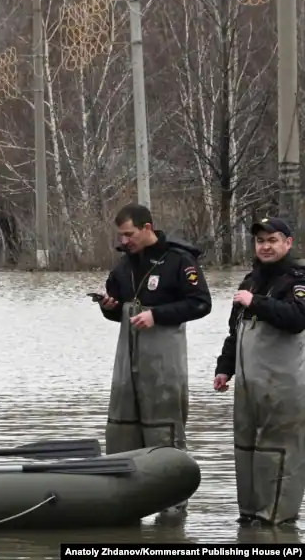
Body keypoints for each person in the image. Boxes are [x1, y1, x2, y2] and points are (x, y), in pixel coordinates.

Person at [97, 204, 211, 462]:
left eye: (129, 234)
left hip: (164, 369)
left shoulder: (179, 260)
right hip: (128, 369)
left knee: (163, 435)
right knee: (122, 434)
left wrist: (156, 315)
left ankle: (173, 499)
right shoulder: (123, 267)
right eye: (121, 236)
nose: (124, 241)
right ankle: (123, 495)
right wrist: (110, 308)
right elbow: (119, 312)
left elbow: (201, 304)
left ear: (147, 227)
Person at [214, 217, 305, 526]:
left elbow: (296, 319)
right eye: (260, 241)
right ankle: (250, 517)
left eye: (272, 240)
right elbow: (234, 333)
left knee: (279, 450)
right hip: (249, 387)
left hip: (284, 387)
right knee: (246, 449)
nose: (265, 246)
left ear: (288, 243)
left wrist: (257, 303)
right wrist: (224, 369)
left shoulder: (298, 281)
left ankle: (278, 520)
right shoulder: (249, 281)